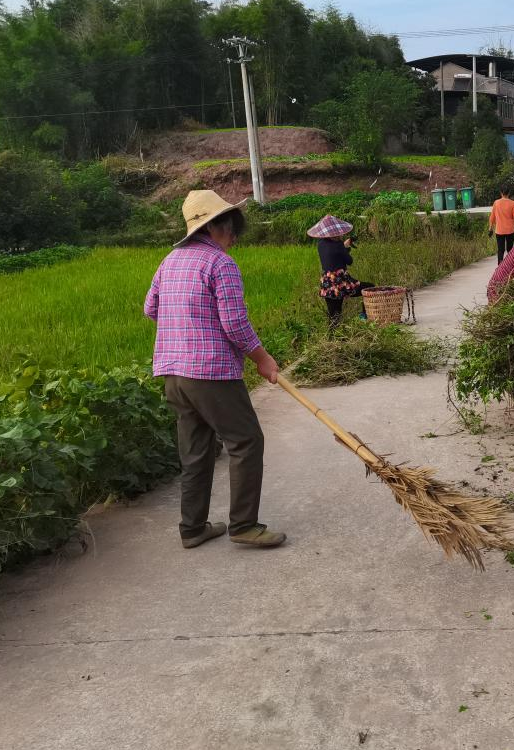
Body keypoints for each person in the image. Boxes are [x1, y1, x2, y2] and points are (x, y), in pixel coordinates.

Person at [144, 189, 286, 550]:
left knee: (196, 452)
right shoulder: (220, 264)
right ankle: (244, 525)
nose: (235, 238)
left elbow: (150, 309)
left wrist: (184, 324)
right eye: (232, 230)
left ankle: (192, 528)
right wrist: (263, 359)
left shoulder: (170, 260)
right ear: (217, 227)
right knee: (246, 441)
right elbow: (235, 324)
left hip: (173, 375)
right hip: (209, 374)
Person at [308, 214, 373, 328]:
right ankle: (364, 315)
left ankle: (333, 339)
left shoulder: (321, 244)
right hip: (340, 283)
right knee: (369, 288)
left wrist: (343, 247)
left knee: (334, 316)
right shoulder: (338, 245)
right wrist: (346, 248)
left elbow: (333, 253)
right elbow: (349, 261)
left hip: (327, 283)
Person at [487, 184, 514, 264]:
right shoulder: (513, 203)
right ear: (509, 193)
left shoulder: (496, 203)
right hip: (510, 231)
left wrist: (490, 228)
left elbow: (492, 217)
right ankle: (510, 266)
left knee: (500, 250)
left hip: (499, 231)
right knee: (510, 249)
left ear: (501, 193)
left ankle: (500, 268)